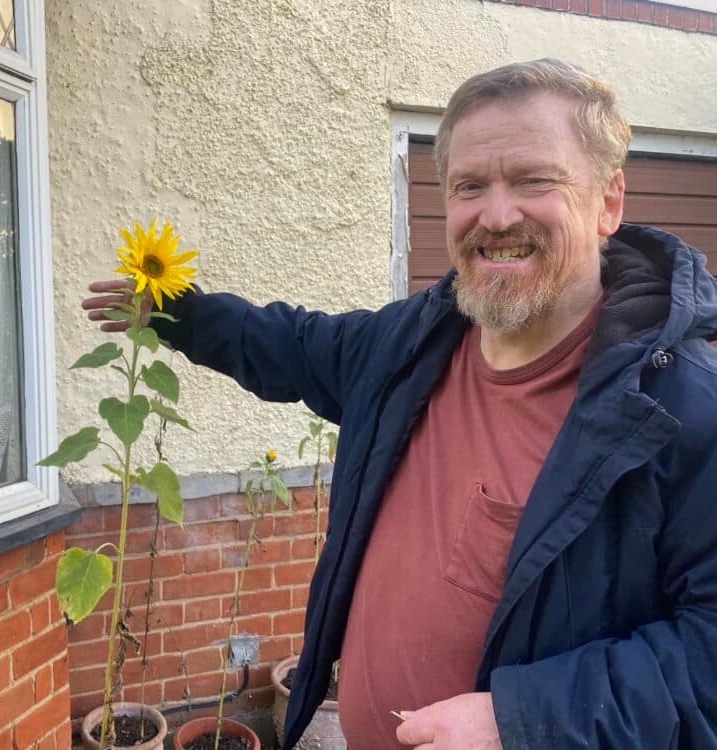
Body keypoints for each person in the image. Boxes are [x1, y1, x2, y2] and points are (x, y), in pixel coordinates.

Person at [82, 59, 717, 749]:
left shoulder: (680, 411)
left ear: (609, 203)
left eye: (534, 180)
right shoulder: (408, 345)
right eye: (470, 185)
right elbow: (288, 344)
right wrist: (174, 311)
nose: (497, 215)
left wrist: (522, 721)